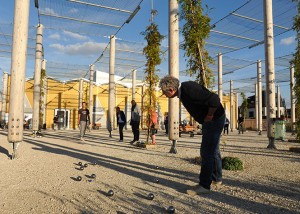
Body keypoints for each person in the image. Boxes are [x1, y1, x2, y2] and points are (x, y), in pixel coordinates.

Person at [159, 75, 225, 195]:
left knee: (206, 152)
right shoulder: (184, 91)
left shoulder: (188, 89)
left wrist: (209, 116)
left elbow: (215, 100)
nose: (165, 95)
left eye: (164, 93)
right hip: (213, 119)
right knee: (213, 149)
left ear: (171, 90)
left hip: (214, 119)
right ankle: (216, 179)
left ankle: (204, 185)